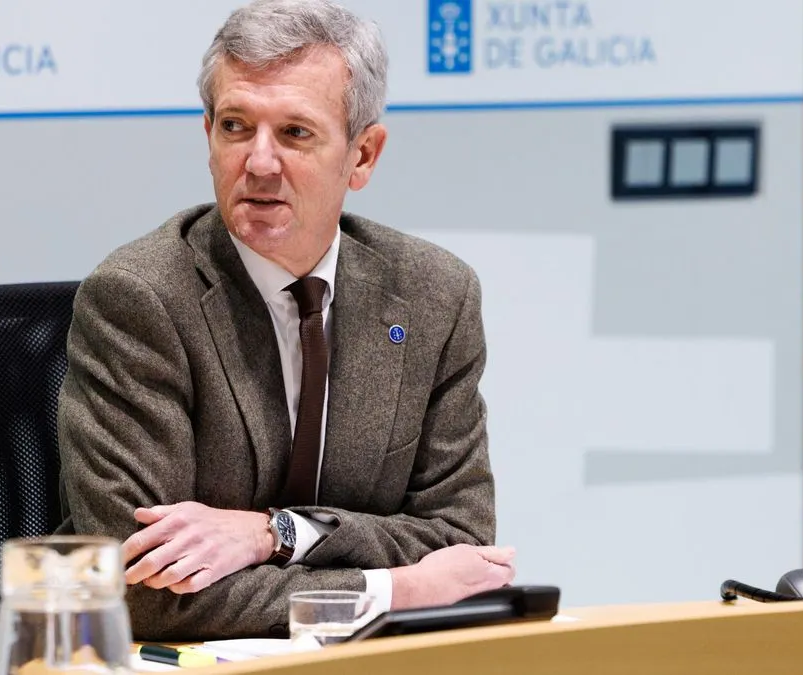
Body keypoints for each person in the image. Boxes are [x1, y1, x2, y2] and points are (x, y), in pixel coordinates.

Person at [55, 0, 516, 641]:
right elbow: (143, 592)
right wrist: (396, 589)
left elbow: (460, 542)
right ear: (208, 137)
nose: (260, 163)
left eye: (295, 133)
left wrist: (274, 533)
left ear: (363, 155)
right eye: (236, 127)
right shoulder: (140, 300)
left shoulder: (434, 295)